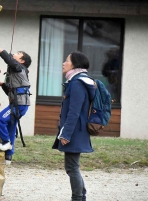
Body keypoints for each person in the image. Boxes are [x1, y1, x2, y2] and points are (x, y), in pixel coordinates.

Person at [52, 51, 95, 201]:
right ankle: (80, 196)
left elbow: (74, 112)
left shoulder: (77, 83)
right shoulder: (77, 81)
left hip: (75, 131)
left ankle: (77, 198)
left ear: (75, 64)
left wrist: (66, 134)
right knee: (72, 167)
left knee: (72, 167)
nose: (64, 63)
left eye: (67, 60)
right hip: (76, 130)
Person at [0, 47, 31, 165]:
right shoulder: (17, 71)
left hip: (19, 104)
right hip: (19, 103)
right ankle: (8, 156)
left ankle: (6, 143)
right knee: (11, 125)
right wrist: (4, 85)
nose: (14, 54)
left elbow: (10, 61)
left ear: (22, 61)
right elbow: (12, 91)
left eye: (18, 53)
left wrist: (1, 51)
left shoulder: (19, 68)